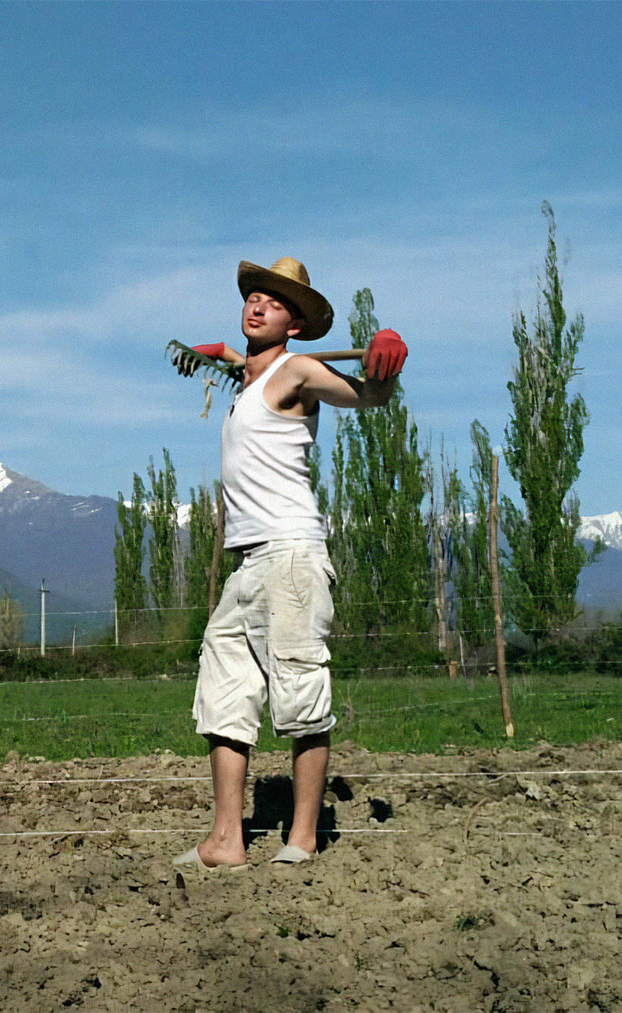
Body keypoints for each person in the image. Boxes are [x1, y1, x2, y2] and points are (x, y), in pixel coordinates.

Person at [172, 257, 408, 869]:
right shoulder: (249, 378)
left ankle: (302, 838)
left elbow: (370, 397)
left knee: (301, 697)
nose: (257, 305)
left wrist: (385, 362)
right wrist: (216, 353)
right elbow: (237, 360)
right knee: (223, 697)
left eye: (274, 303)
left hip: (292, 557)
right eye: (252, 296)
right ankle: (226, 841)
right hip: (246, 565)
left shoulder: (300, 370)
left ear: (296, 326)